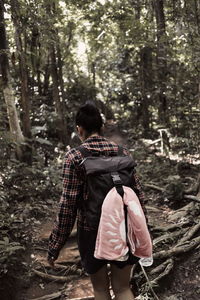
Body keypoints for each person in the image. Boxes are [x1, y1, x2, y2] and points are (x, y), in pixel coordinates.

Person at [47, 102, 149, 300]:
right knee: (122, 288)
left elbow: (68, 206)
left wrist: (55, 246)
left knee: (101, 289)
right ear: (101, 128)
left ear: (79, 129)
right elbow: (138, 196)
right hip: (124, 227)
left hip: (92, 231)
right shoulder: (123, 152)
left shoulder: (75, 157)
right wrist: (142, 230)